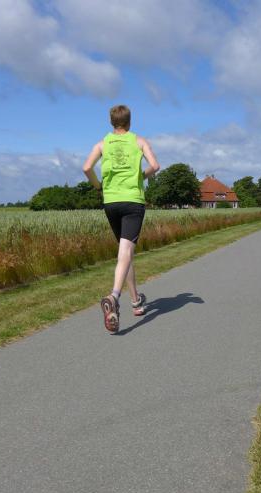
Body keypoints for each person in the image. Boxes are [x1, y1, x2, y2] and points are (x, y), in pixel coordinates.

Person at [82, 104, 160, 333]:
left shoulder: (102, 144)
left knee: (126, 252)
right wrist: (140, 176)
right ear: (130, 121)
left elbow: (86, 168)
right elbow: (155, 166)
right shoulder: (139, 141)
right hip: (132, 201)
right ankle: (114, 297)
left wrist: (98, 186)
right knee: (126, 251)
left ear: (111, 122)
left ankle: (135, 301)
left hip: (111, 202)